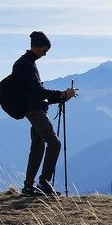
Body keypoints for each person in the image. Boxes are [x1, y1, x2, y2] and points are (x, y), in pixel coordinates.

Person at [13, 31, 76, 197]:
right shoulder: (26, 65)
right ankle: (44, 184)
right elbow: (38, 92)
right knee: (54, 144)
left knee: (38, 147)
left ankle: (28, 187)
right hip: (35, 111)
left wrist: (62, 97)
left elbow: (35, 93)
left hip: (33, 109)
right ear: (37, 47)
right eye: (44, 50)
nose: (45, 54)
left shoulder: (26, 63)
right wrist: (62, 94)